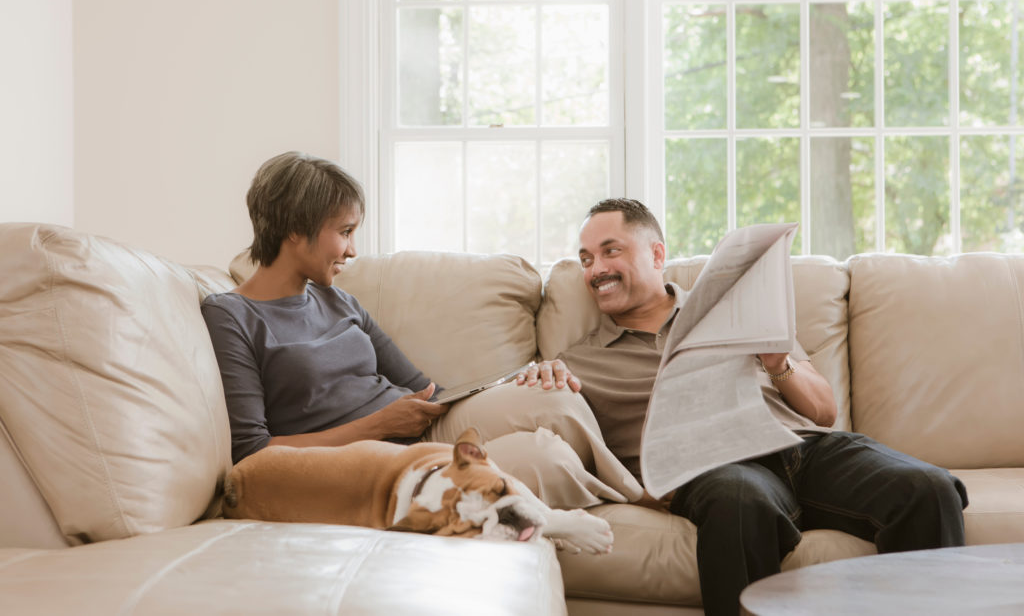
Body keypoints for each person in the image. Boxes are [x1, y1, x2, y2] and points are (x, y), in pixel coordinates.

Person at [555, 198, 968, 616]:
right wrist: (540, 379)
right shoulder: (577, 363)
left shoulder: (733, 309)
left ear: (657, 254)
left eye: (611, 251)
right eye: (586, 259)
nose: (596, 270)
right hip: (718, 469)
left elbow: (824, 412)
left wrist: (778, 364)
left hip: (803, 448)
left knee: (927, 488)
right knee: (737, 501)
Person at [200, 152, 643, 513]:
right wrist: (377, 425)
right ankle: (633, 496)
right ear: (296, 230)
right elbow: (253, 453)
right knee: (548, 459)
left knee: (553, 397)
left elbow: (427, 390)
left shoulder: (339, 300)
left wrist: (503, 387)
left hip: (424, 430)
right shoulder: (230, 316)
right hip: (374, 460)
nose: (353, 250)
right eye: (345, 232)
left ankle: (644, 492)